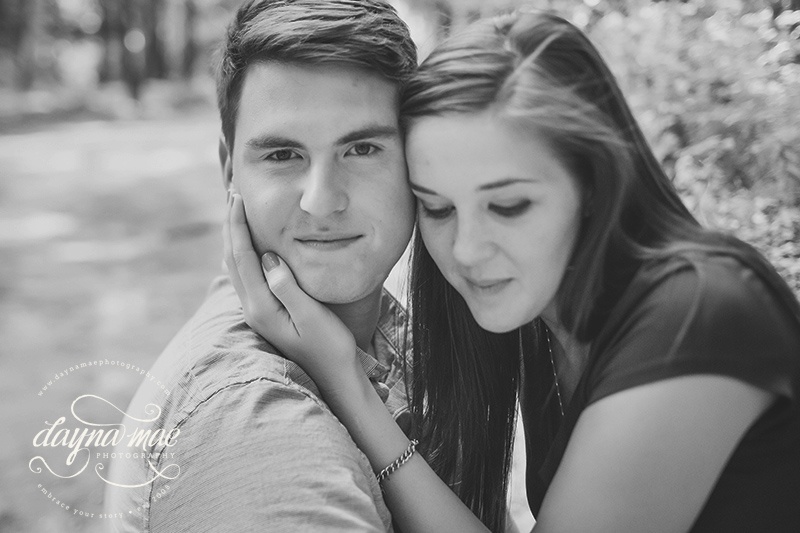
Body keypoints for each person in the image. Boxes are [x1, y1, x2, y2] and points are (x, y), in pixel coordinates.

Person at [225, 10, 800, 533]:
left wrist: (346, 381)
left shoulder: (695, 316)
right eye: (439, 207)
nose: (469, 251)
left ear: (595, 184)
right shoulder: (542, 313)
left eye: (509, 206)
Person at [103, 1, 417, 531]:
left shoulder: (385, 330)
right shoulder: (256, 426)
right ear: (230, 169)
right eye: (282, 155)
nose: (322, 201)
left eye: (361, 149)